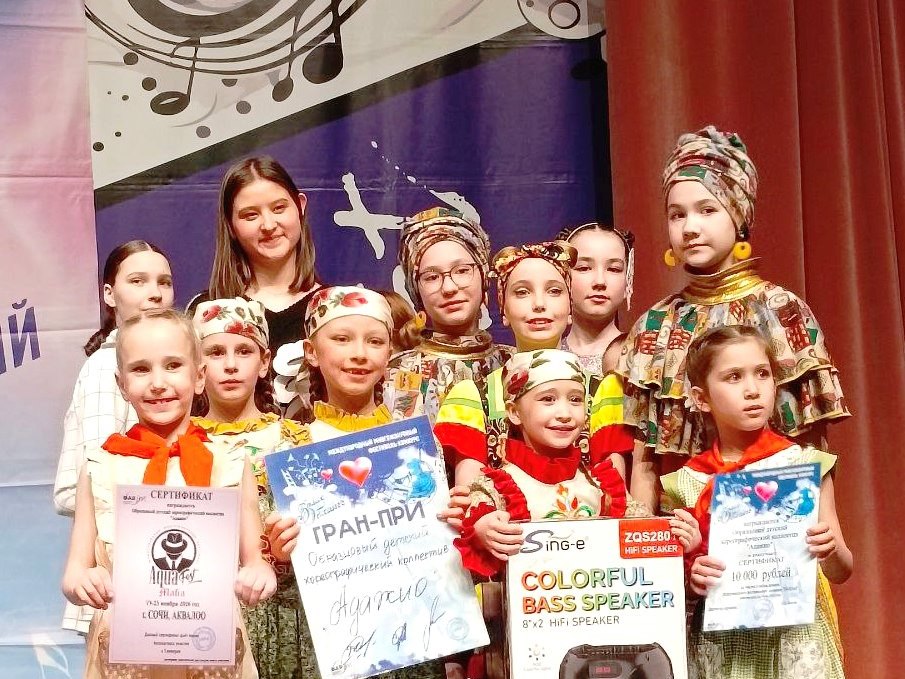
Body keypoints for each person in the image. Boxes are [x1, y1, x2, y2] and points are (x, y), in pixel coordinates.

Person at [618, 126, 849, 512]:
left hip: (772, 526)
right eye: (677, 215)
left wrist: (822, 534)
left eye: (707, 210)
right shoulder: (656, 326)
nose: (690, 227)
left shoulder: (781, 312)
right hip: (684, 533)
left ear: (739, 215)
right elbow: (646, 461)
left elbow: (811, 447)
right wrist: (644, 538)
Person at [61, 309, 276, 678]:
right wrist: (83, 583)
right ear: (121, 384)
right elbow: (74, 572)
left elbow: (256, 560)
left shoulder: (229, 461)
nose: (158, 383)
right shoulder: (100, 466)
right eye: (141, 369)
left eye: (173, 365)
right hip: (126, 662)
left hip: (211, 657)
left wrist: (259, 574)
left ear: (199, 376)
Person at [261, 286, 445, 679]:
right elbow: (273, 572)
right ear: (312, 351)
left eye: (374, 341)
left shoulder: (416, 444)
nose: (359, 354)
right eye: (342, 339)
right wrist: (278, 553)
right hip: (326, 645)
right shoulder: (291, 449)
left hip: (411, 641)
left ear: (390, 352)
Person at [662, 325, 852, 678]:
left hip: (793, 639)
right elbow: (673, 589)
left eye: (762, 374)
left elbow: (842, 570)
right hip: (723, 645)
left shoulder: (803, 466)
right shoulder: (686, 482)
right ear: (701, 398)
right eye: (734, 377)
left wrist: (829, 550)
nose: (752, 389)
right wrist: (692, 576)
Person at [436, 241, 633, 489]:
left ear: (570, 307)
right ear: (503, 310)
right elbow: (472, 498)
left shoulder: (602, 392)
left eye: (554, 291)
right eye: (522, 292)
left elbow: (616, 497)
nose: (539, 304)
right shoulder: (474, 398)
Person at [54, 239, 174, 633]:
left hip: (166, 568)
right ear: (109, 294)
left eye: (164, 281)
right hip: (117, 575)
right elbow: (95, 480)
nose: (154, 292)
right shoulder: (106, 367)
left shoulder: (173, 370)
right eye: (138, 281)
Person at [191, 298, 310, 679]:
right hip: (206, 616)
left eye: (244, 351)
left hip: (288, 616)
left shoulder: (296, 440)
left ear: (264, 362)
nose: (230, 365)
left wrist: (286, 549)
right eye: (215, 352)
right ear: (196, 366)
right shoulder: (182, 446)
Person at [188, 156, 323, 420]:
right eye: (251, 215)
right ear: (231, 225)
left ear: (300, 206)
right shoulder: (205, 310)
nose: (269, 225)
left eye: (279, 208)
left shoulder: (333, 309)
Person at [384, 207, 513, 424]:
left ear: (483, 276)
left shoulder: (513, 364)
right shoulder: (393, 373)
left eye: (462, 271)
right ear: (416, 290)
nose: (449, 287)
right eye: (431, 277)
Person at [557, 222, 635, 377]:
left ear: (628, 280)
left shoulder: (641, 357)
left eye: (614, 269)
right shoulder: (547, 360)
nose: (600, 281)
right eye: (584, 268)